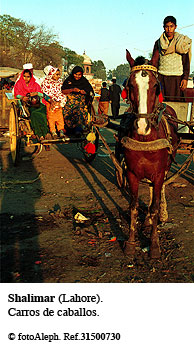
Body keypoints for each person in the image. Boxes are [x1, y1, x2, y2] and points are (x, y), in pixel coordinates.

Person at [151, 15, 192, 101]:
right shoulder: (158, 43)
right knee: (161, 104)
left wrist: (185, 78)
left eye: (171, 26)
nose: (169, 29)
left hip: (177, 78)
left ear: (175, 27)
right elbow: (155, 61)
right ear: (163, 27)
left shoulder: (181, 42)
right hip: (161, 77)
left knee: (176, 105)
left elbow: (186, 62)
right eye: (166, 27)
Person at [14, 68, 49, 140]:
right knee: (34, 113)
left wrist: (36, 93)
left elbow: (41, 95)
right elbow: (16, 94)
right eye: (24, 76)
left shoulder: (35, 84)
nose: (26, 78)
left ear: (31, 77)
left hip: (38, 103)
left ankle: (45, 133)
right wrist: (22, 97)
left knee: (43, 114)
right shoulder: (19, 84)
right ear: (22, 76)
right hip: (27, 104)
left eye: (28, 76)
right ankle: (39, 134)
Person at [61, 66, 94, 135]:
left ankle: (78, 130)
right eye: (76, 74)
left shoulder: (84, 81)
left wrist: (84, 92)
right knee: (67, 114)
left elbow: (90, 91)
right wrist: (73, 90)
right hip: (69, 102)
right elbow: (63, 90)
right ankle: (67, 130)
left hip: (81, 103)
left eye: (79, 75)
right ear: (73, 73)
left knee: (80, 113)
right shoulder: (69, 80)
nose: (77, 76)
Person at [41, 66, 67, 139]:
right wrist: (51, 100)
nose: (58, 76)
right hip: (50, 104)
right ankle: (53, 131)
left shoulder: (60, 83)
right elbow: (45, 93)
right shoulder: (46, 83)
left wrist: (60, 100)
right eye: (57, 74)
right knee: (51, 118)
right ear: (51, 74)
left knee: (60, 118)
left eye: (59, 74)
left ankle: (61, 131)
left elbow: (62, 92)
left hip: (59, 103)